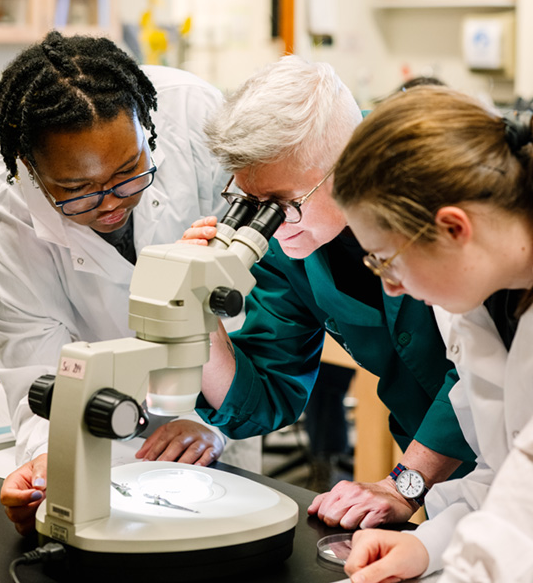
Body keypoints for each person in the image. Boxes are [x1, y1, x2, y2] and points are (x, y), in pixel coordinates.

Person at [0, 31, 257, 536]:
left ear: (148, 130)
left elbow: (261, 290)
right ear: (29, 170)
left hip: (220, 413)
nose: (113, 203)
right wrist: (49, 463)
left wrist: (216, 420)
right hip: (100, 438)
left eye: (130, 171)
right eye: (77, 192)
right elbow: (37, 375)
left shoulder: (197, 118)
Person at [181, 55, 476, 530]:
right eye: (249, 201)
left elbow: (485, 368)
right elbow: (262, 399)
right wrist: (195, 313)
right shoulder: (286, 245)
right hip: (446, 481)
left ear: (347, 163)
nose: (270, 226)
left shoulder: (441, 186)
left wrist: (404, 482)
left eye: (285, 204)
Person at [332, 84, 533, 582]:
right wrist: (424, 546)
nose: (392, 289)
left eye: (387, 260)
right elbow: (507, 480)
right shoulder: (481, 303)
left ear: (454, 229)